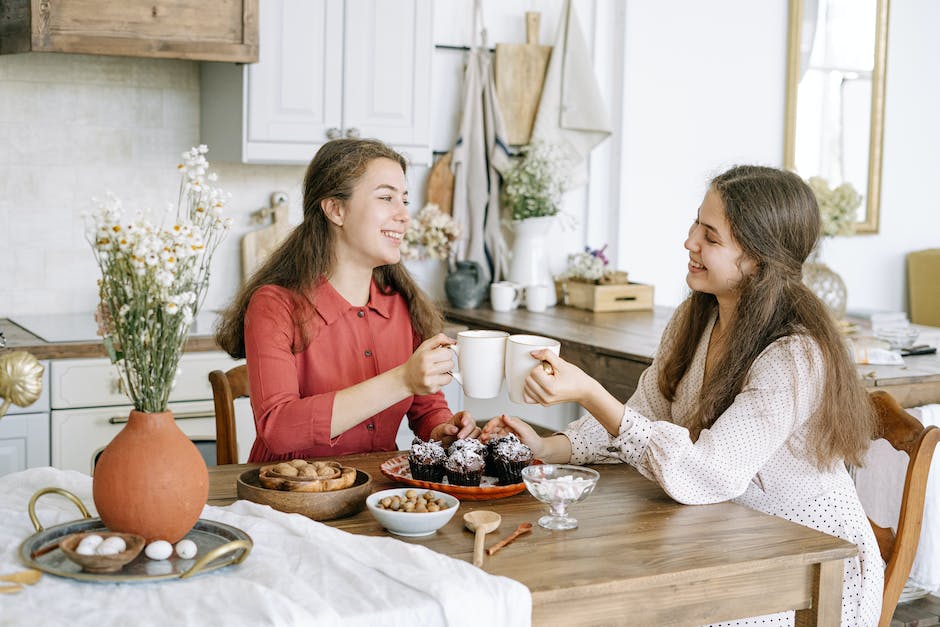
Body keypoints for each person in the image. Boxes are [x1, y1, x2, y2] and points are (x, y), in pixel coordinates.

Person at [483, 165, 883, 626]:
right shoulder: (697, 318)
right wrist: (548, 447)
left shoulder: (794, 357)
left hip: (805, 570)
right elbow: (642, 415)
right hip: (721, 540)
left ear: (758, 259)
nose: (689, 241)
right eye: (697, 224)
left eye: (711, 237)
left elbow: (708, 474)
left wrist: (591, 392)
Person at [217, 138, 478, 462]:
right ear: (336, 210)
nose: (404, 216)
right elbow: (278, 428)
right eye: (386, 197)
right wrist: (402, 379)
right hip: (287, 501)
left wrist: (443, 430)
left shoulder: (402, 306)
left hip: (378, 500)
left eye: (404, 200)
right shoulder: (274, 305)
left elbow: (426, 409)